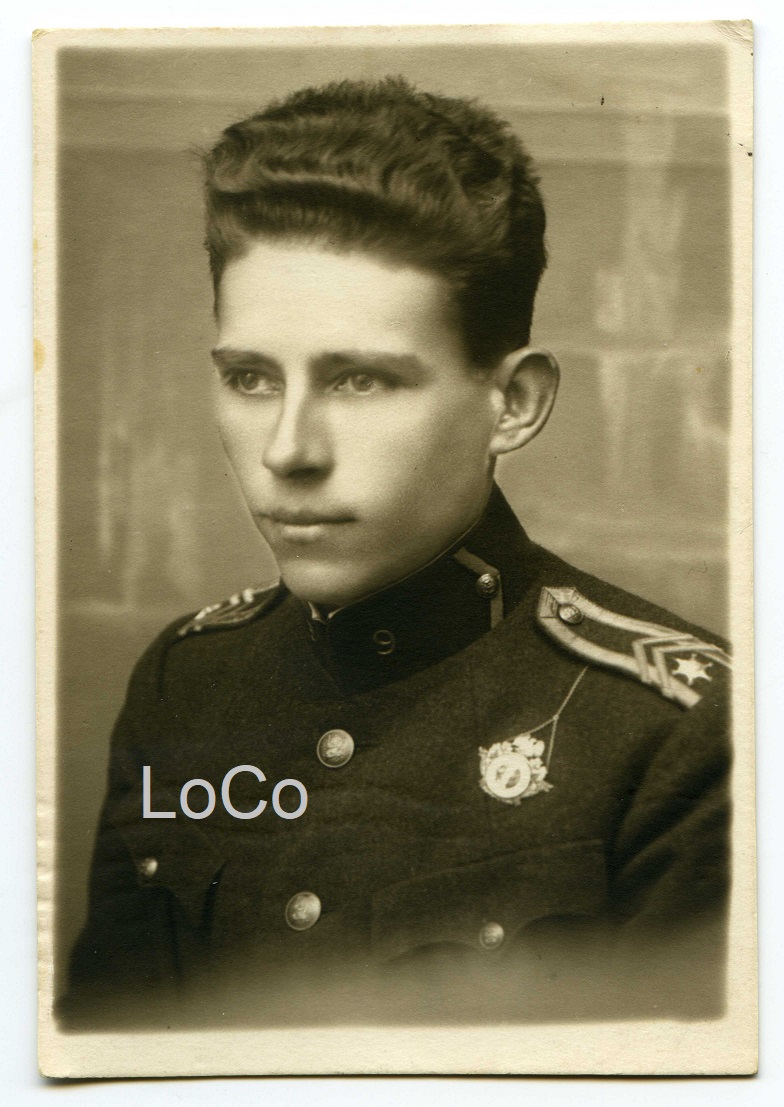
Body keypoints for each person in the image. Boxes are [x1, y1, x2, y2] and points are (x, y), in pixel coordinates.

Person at [63, 77, 730, 1027]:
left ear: (513, 403)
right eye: (250, 377)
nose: (288, 449)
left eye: (361, 381)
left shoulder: (683, 735)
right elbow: (109, 1060)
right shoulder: (185, 681)